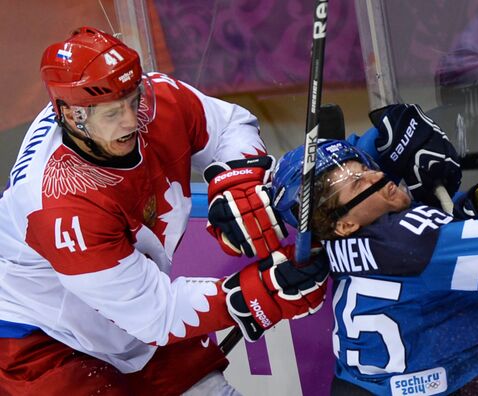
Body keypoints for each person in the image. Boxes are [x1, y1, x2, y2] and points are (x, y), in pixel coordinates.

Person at [0, 26, 327, 395]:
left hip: (131, 305)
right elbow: (156, 315)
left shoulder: (156, 100)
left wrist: (240, 180)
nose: (130, 121)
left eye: (132, 99)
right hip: (42, 334)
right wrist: (260, 292)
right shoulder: (58, 204)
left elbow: (229, 125)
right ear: (72, 117)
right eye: (111, 114)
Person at [271, 104, 478, 395]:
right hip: (443, 385)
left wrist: (386, 137)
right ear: (344, 224)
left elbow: (322, 179)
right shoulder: (406, 242)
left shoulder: (335, 231)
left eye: (367, 168)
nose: (377, 177)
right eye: (358, 183)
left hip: (357, 386)